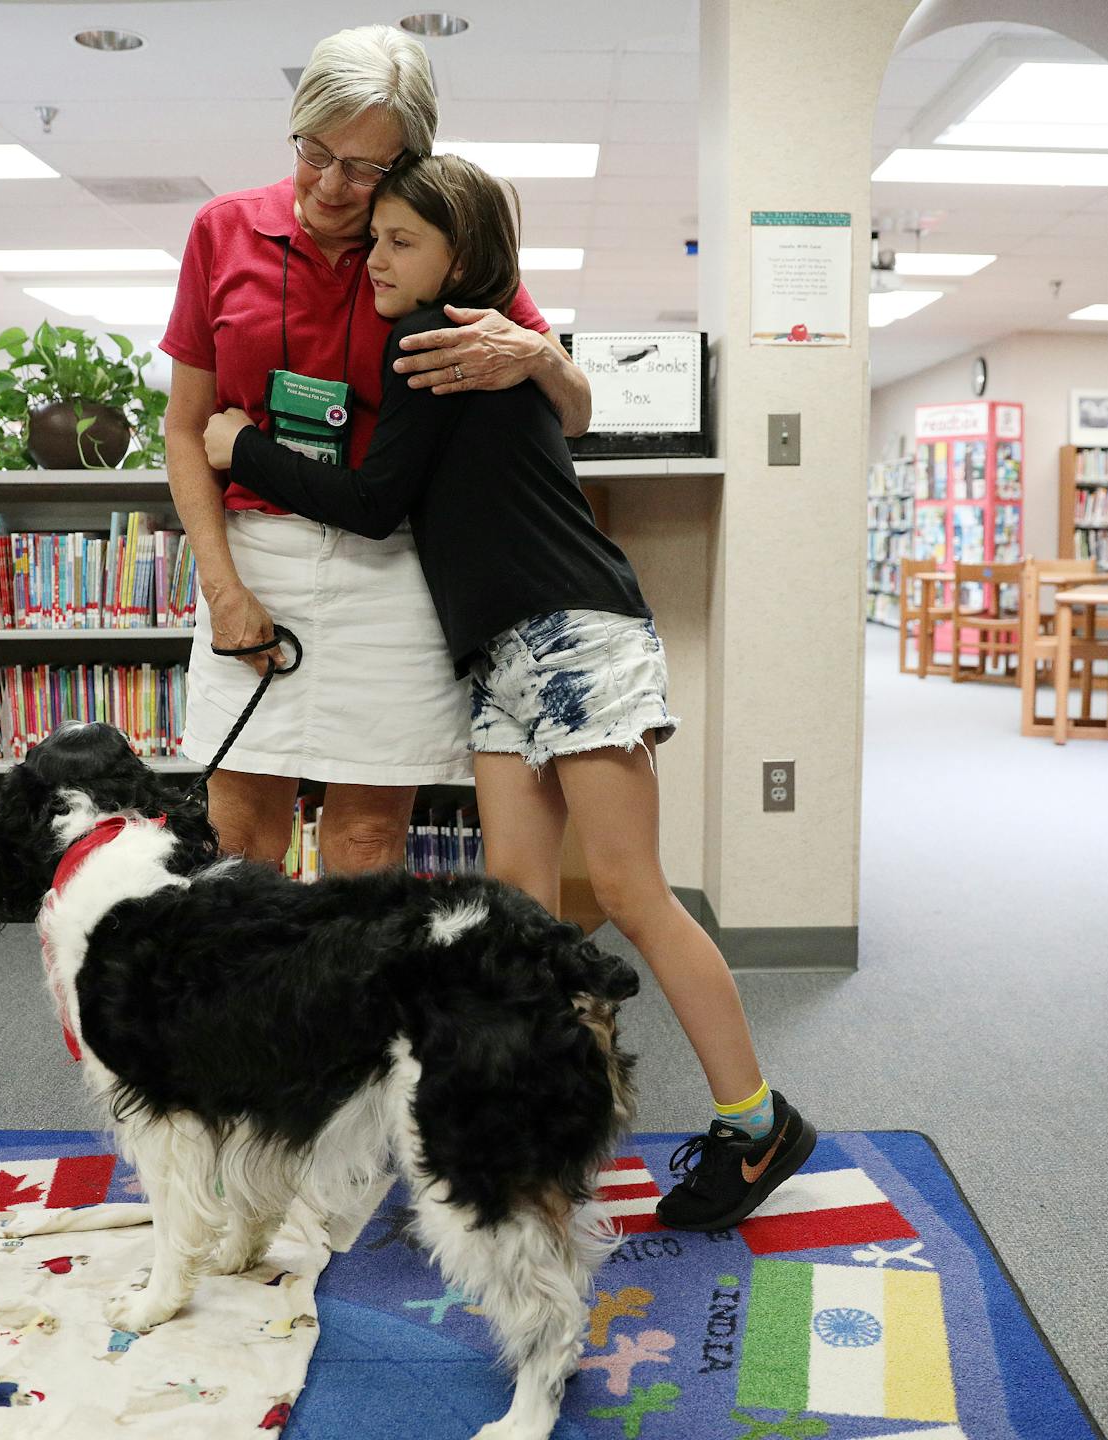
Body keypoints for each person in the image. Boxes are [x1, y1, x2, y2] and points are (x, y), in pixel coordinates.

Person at [202, 154, 816, 1231]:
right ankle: (541, 1127)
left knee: (629, 894)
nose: (377, 259)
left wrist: (236, 442)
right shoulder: (477, 337)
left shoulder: (436, 339)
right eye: (376, 238)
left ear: (461, 258)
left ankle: (759, 1125)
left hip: (575, 636)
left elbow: (378, 501)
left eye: (403, 242)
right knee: (521, 918)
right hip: (498, 658)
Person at [157, 24, 591, 875]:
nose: (330, 183)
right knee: (240, 839)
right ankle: (252, 1013)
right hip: (255, 557)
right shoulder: (223, 232)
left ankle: (347, 1011)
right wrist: (221, 584)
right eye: (315, 151)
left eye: (365, 168)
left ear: (410, 167)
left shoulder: (432, 244)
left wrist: (538, 353)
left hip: (391, 564)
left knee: (366, 840)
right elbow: (186, 427)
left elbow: (573, 410)